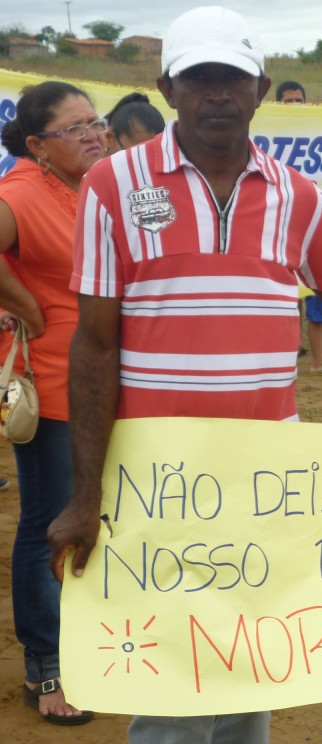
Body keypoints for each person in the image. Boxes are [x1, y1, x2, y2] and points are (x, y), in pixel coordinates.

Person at [46, 6, 322, 744]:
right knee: (174, 682)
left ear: (259, 88)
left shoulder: (297, 196)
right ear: (169, 87)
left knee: (251, 665)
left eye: (231, 77)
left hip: (268, 482)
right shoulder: (112, 185)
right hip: (158, 481)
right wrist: (84, 493)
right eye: (199, 78)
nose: (216, 93)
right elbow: (95, 346)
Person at [0, 81, 104, 726]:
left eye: (97, 122)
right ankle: (49, 668)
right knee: (50, 519)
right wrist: (23, 304)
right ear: (38, 143)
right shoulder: (19, 193)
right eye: (76, 127)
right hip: (52, 382)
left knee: (89, 514)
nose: (94, 134)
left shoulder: (91, 187)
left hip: (101, 380)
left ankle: (91, 650)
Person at [273, 79, 322, 373]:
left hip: (314, 222)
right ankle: (305, 352)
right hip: (283, 226)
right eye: (287, 101)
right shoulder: (271, 134)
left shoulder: (318, 132)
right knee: (294, 296)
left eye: (297, 100)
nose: (293, 106)